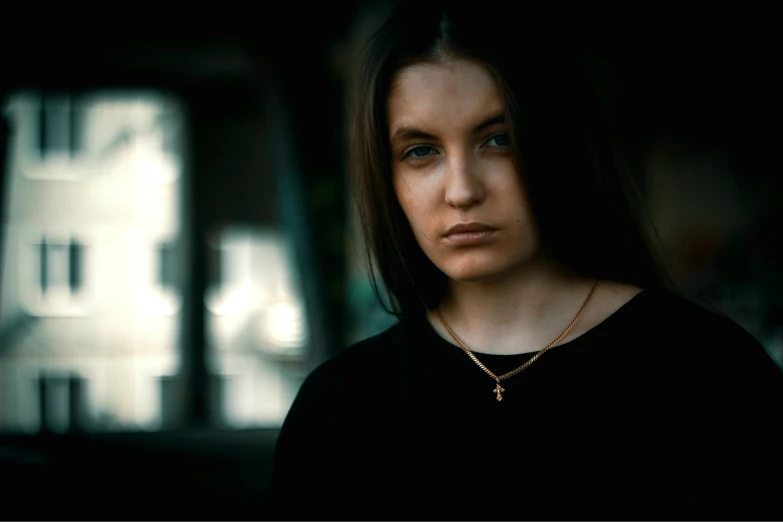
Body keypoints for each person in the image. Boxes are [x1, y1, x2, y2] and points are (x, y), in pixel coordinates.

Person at [269, 3, 783, 520]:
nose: (462, 191)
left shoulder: (711, 374)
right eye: (421, 151)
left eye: (498, 140)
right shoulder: (341, 407)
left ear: (557, 144)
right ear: (388, 178)